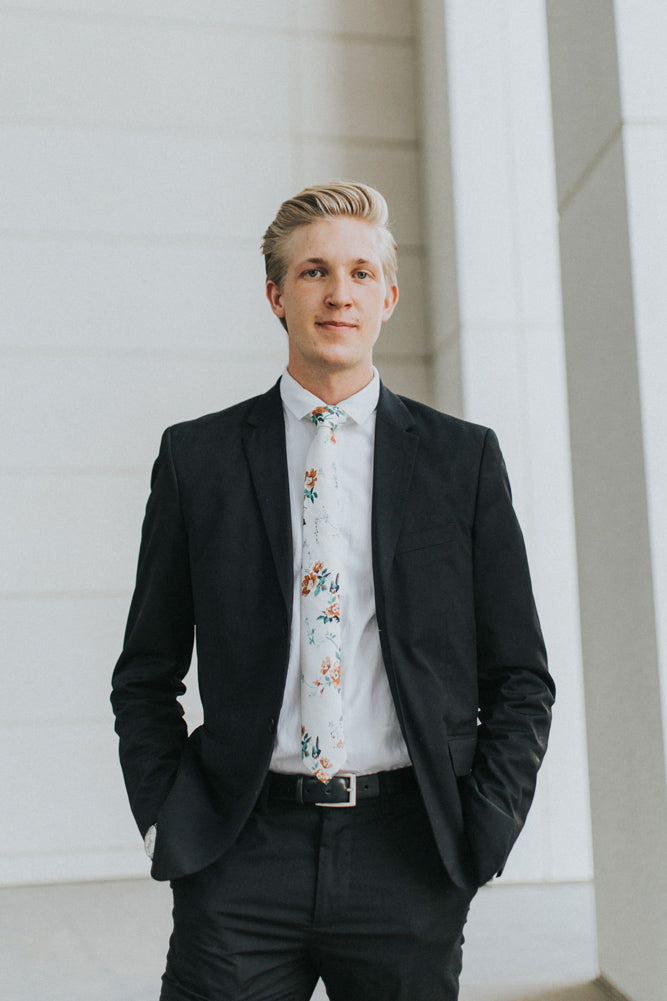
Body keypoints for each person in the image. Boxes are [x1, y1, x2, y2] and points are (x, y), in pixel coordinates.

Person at [111, 181, 554, 1001]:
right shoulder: (197, 459)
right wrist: (165, 816)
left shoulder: (461, 461)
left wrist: (482, 831)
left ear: (388, 296)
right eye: (314, 271)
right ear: (276, 295)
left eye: (359, 272)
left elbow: (519, 674)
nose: (338, 293)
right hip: (240, 853)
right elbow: (145, 671)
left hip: (407, 856)